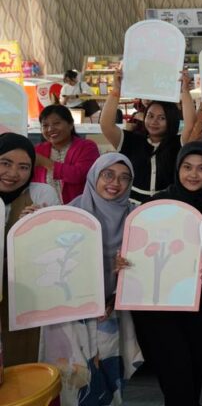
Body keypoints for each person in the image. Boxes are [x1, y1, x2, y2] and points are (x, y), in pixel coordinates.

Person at [42, 153, 141, 406]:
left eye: (124, 178)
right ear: (94, 175)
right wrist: (35, 223)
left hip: (112, 311)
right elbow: (54, 262)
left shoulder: (135, 216)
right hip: (71, 314)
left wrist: (126, 271)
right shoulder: (71, 213)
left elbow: (145, 265)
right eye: (108, 174)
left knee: (109, 376)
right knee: (76, 379)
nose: (115, 183)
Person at [130, 143, 202, 406]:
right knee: (175, 370)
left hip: (198, 304)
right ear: (178, 168)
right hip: (160, 307)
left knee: (194, 364)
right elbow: (138, 247)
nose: (194, 174)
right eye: (187, 167)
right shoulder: (157, 203)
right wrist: (126, 260)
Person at [1, 134, 59, 367]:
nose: (13, 173)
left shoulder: (41, 195)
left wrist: (33, 229)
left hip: (23, 301)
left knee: (21, 367)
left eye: (23, 167)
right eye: (5, 163)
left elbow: (55, 250)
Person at [100, 68, 184, 204]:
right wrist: (116, 90)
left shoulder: (177, 143)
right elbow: (106, 125)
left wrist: (185, 92)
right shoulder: (131, 141)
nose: (154, 122)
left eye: (162, 118)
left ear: (171, 120)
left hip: (167, 207)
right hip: (133, 208)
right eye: (150, 116)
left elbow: (191, 126)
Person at [33, 104, 100, 203]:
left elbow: (80, 175)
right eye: (45, 125)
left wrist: (45, 162)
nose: (50, 129)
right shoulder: (38, 150)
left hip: (79, 208)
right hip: (45, 209)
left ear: (71, 124)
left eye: (56, 123)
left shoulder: (87, 147)